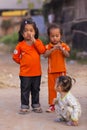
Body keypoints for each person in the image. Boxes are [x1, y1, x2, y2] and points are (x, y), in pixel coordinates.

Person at [12, 18, 46, 114]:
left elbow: (42, 51)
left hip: (36, 73)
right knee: (25, 90)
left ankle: (36, 105)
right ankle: (24, 106)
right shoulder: (20, 45)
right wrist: (22, 62)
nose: (28, 33)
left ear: (35, 32)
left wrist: (34, 41)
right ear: (22, 33)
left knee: (36, 89)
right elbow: (15, 56)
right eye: (26, 31)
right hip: (25, 73)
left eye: (31, 30)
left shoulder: (38, 42)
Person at [43, 23, 70, 112]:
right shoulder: (48, 46)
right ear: (49, 36)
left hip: (61, 71)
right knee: (52, 89)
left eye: (57, 36)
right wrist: (53, 49)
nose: (55, 38)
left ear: (60, 36)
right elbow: (45, 55)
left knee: (63, 88)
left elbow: (67, 55)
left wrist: (62, 49)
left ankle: (63, 104)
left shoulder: (64, 45)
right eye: (52, 36)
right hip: (51, 72)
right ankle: (52, 105)